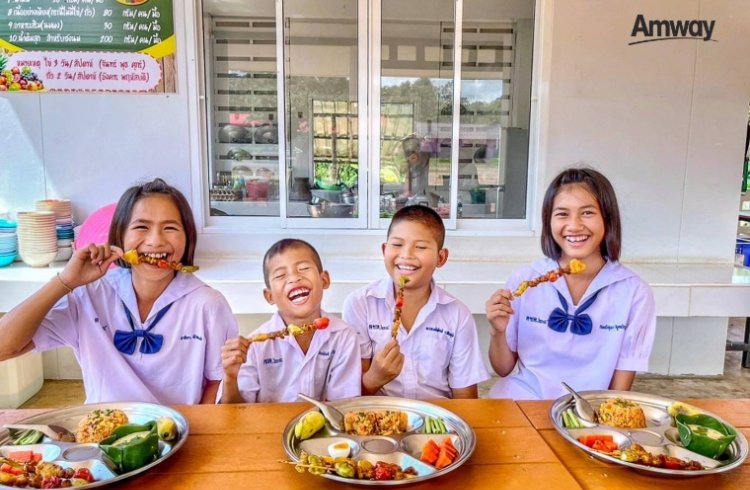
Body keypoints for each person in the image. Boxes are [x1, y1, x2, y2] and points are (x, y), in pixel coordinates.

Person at [0, 178, 237, 405]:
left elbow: (217, 381)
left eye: (170, 228)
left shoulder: (208, 304)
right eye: (141, 227)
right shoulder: (89, 296)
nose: (155, 241)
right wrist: (65, 281)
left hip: (177, 433)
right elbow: (5, 347)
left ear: (187, 239)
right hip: (103, 434)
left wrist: (193, 432)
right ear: (120, 236)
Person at [485, 167, 656, 400]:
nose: (574, 225)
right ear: (549, 222)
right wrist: (498, 331)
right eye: (562, 214)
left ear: (608, 218)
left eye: (587, 213)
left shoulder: (633, 292)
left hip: (590, 405)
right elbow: (503, 369)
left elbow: (618, 390)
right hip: (525, 398)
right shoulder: (524, 281)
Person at [343, 205, 489, 399]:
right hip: (378, 416)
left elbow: (466, 398)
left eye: (420, 247)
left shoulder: (457, 315)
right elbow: (348, 396)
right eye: (397, 244)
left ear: (441, 257)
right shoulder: (360, 305)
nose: (406, 255)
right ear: (384, 249)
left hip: (437, 419)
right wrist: (374, 378)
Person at [219, 238, 361, 403]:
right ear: (269, 296)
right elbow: (236, 414)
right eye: (280, 275)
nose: (294, 278)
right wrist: (230, 378)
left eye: (303, 268)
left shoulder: (343, 337)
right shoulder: (254, 346)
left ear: (324, 280)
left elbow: (343, 405)